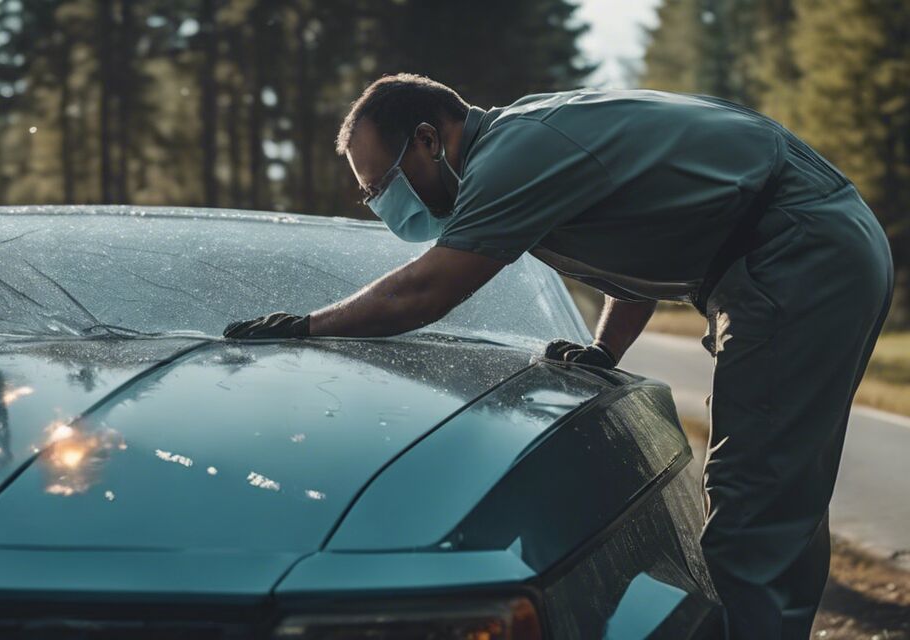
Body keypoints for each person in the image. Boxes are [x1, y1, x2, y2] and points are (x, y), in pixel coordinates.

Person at [224, 74, 893, 637]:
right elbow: (634, 244)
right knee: (775, 489)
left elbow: (427, 291)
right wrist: (605, 347)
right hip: (800, 240)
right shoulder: (526, 143)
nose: (384, 206)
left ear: (429, 139)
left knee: (753, 503)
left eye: (382, 185)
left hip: (795, 248)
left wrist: (308, 327)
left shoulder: (509, 159)